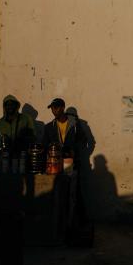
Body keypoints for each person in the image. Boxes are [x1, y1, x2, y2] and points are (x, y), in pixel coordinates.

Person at [43, 98, 88, 243]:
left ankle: (70, 227)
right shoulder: (49, 127)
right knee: (57, 197)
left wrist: (76, 152)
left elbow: (85, 141)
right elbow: (44, 145)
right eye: (52, 108)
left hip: (72, 165)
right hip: (55, 167)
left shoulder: (75, 125)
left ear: (63, 108)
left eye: (56, 108)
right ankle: (59, 228)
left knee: (72, 197)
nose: (54, 111)